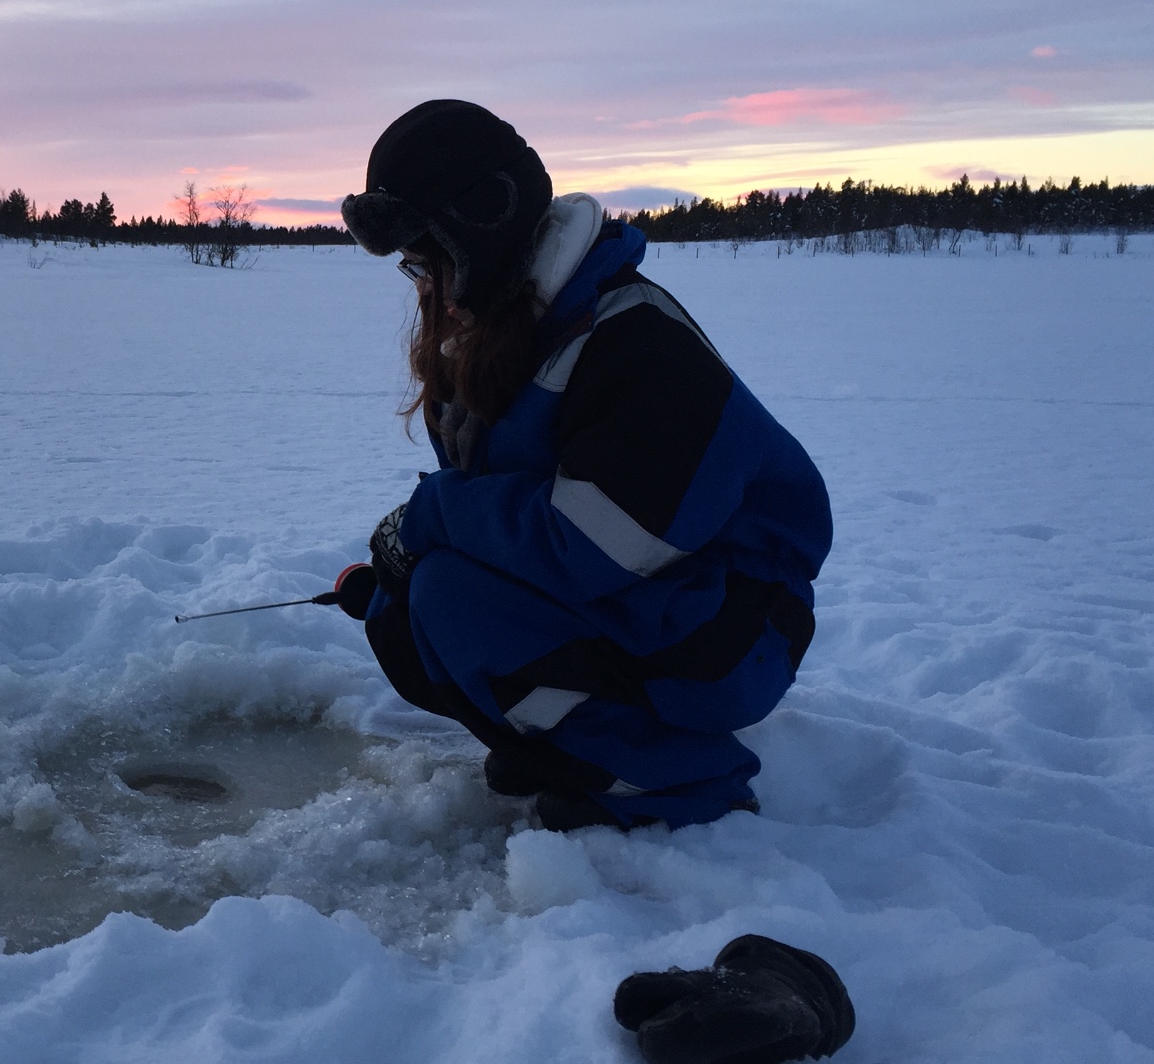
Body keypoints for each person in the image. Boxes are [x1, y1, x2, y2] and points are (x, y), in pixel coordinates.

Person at [336, 100, 832, 831]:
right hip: (652, 595)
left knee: (452, 600)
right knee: (403, 616)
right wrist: (414, 552)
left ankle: (677, 780)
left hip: (734, 624)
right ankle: (564, 746)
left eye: (429, 255)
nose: (424, 282)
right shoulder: (505, 331)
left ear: (482, 225)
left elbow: (595, 544)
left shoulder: (635, 343)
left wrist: (433, 521)